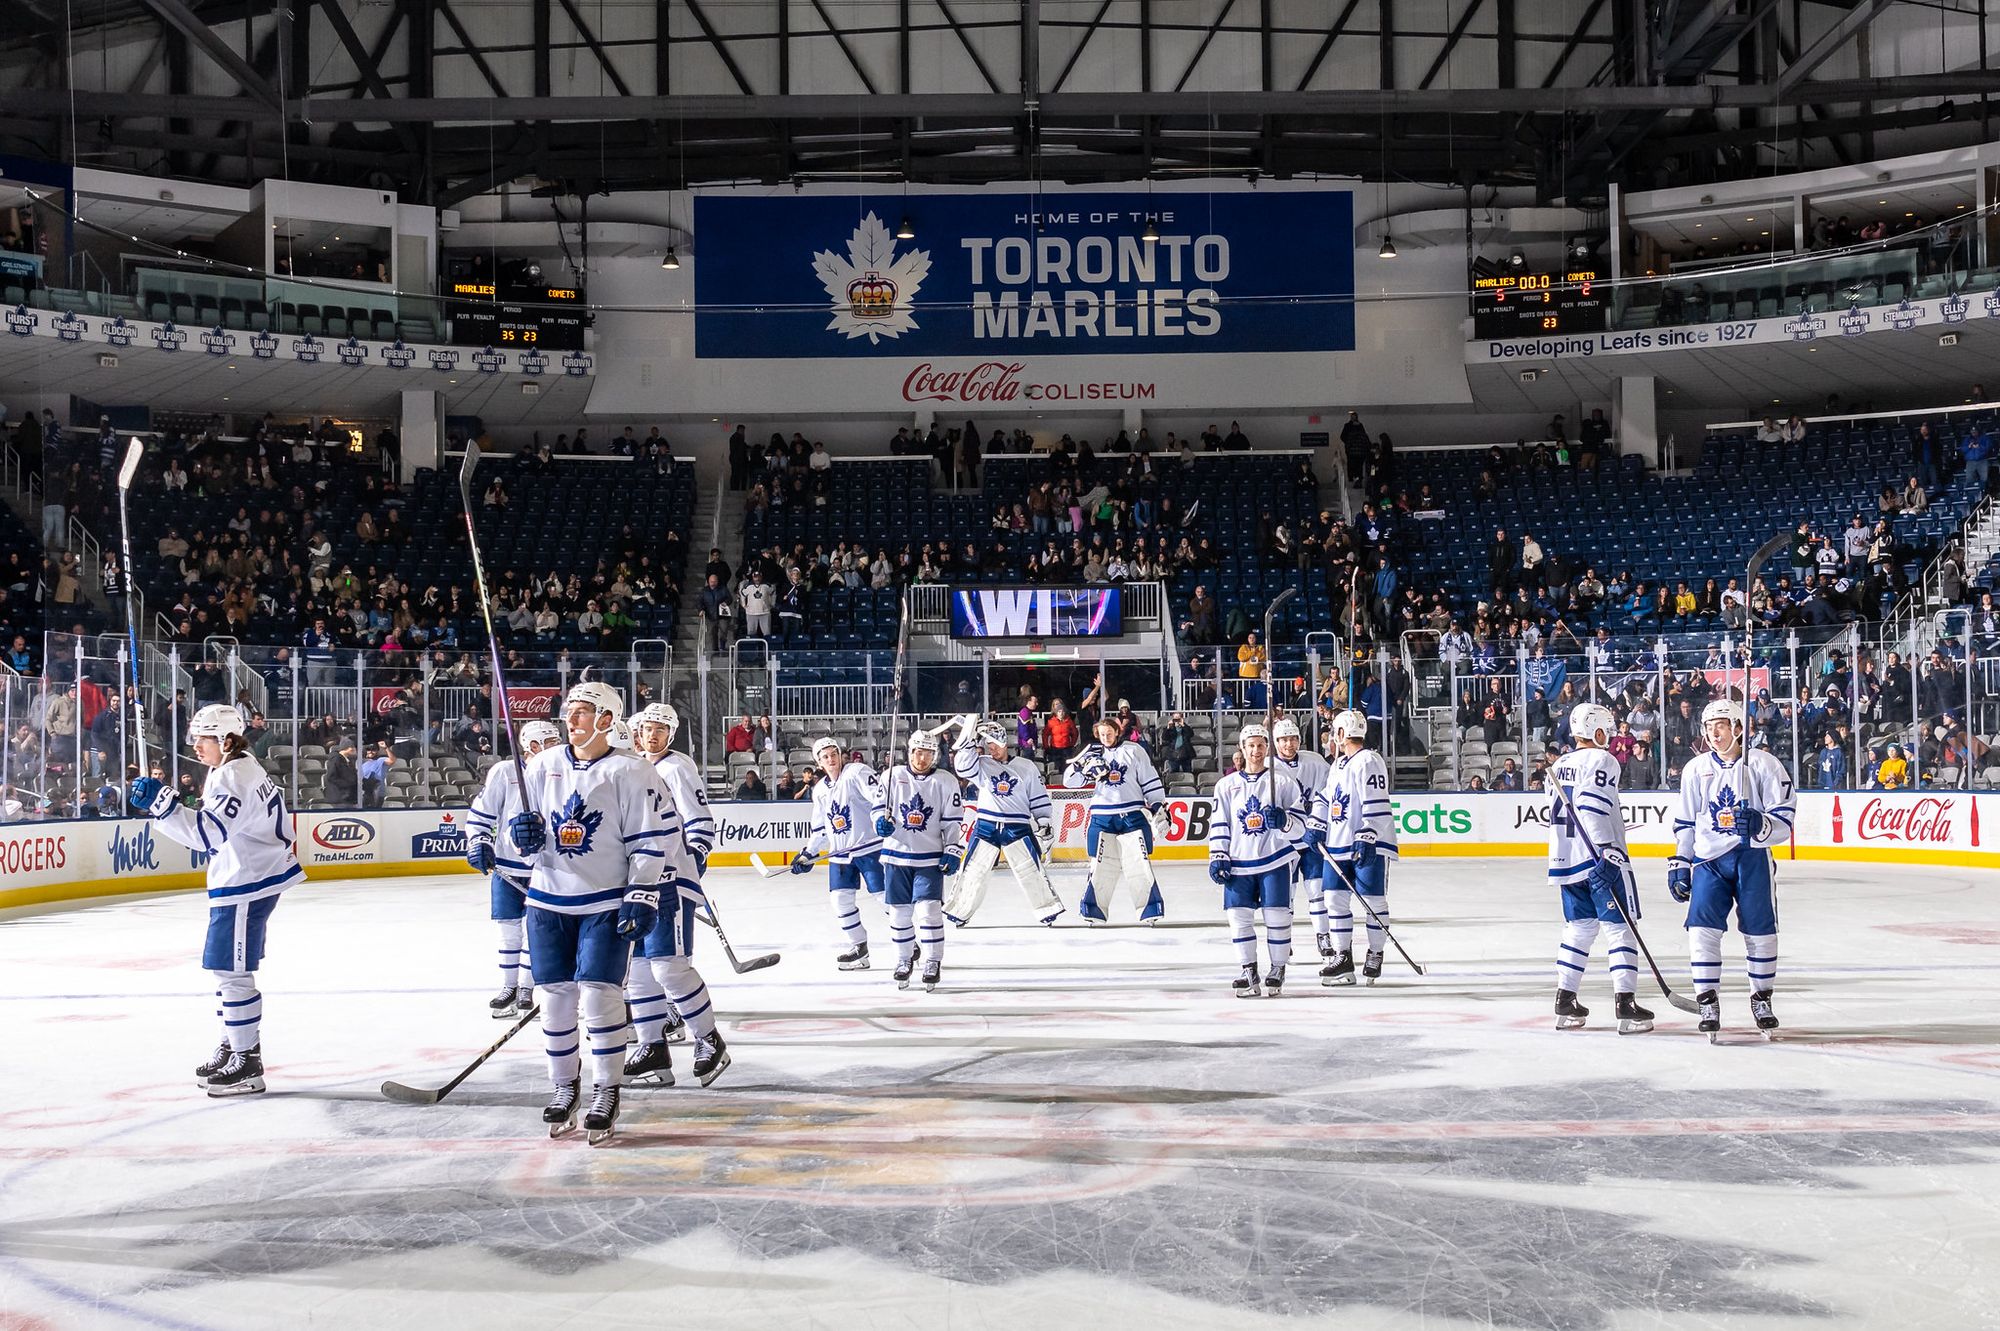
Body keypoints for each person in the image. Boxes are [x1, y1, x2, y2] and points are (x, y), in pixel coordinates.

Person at [506, 681, 683, 1144]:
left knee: (599, 996)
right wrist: (520, 836)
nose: (571, 720)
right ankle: (564, 1087)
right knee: (555, 1000)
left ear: (607, 719)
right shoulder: (542, 765)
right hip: (547, 900)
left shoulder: (631, 771)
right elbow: (524, 835)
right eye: (569, 712)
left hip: (604, 902)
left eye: (582, 712)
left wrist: (641, 893)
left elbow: (649, 842)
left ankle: (607, 1087)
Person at [128, 704, 303, 1096]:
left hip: (248, 880)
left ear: (225, 740)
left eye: (202, 738)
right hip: (248, 876)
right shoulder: (237, 766)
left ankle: (247, 1062)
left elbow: (207, 835)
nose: (194, 745)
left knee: (231, 971)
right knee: (226, 970)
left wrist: (163, 805)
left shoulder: (232, 777)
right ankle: (233, 1044)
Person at [1667, 700, 1795, 1041]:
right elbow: (1685, 821)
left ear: (1739, 727)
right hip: (1709, 861)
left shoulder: (1763, 764)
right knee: (1701, 931)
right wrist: (1681, 861)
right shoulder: (1695, 769)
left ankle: (1761, 999)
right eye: (1709, 727)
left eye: (1721, 725)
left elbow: (1785, 819)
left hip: (1751, 858)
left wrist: (1760, 823)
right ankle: (1708, 1002)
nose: (1714, 733)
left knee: (1761, 932)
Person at [622, 703, 728, 1088]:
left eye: (660, 730)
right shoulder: (631, 767)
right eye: (648, 728)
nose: (652, 735)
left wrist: (694, 860)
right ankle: (653, 1047)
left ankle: (708, 1039)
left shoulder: (676, 767)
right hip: (635, 883)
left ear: (671, 734)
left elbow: (700, 822)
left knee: (668, 966)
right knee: (638, 971)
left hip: (668, 881)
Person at [1546, 703, 1652, 1034]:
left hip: (1566, 860)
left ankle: (1565, 999)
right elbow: (1591, 807)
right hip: (1599, 857)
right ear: (1599, 731)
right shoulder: (1602, 759)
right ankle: (1625, 1003)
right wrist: (1607, 852)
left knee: (1579, 928)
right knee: (1620, 928)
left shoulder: (1560, 763)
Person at [465, 720, 564, 1018]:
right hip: (507, 869)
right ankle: (508, 986)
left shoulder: (558, 773)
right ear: (532, 745)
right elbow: (481, 814)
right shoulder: (505, 772)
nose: (556, 746)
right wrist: (479, 842)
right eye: (549, 741)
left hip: (543, 868)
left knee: (533, 929)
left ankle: (526, 987)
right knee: (509, 930)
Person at [1207, 723, 1303, 997]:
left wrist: (1284, 821)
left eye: (1261, 745)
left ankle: (1277, 968)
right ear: (1242, 749)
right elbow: (1220, 823)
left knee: (1277, 917)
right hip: (1238, 863)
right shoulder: (1226, 786)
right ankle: (1248, 969)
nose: (1257, 750)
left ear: (1267, 748)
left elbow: (1301, 825)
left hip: (1275, 859)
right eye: (1251, 745)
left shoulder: (1282, 782)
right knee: (1238, 919)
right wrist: (1218, 855)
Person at [943, 714, 1062, 925]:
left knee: (1030, 869)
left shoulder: (1026, 767)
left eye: (995, 745)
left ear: (1005, 743)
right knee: (973, 869)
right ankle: (959, 911)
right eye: (988, 745)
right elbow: (961, 767)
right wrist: (969, 740)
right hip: (986, 825)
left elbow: (1038, 797)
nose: (992, 749)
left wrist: (1044, 821)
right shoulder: (981, 765)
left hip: (1017, 826)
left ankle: (1047, 910)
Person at [788, 734, 889, 969]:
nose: (831, 759)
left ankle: (909, 943)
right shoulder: (820, 789)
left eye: (833, 754)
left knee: (886, 900)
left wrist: (884, 815)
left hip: (869, 848)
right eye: (825, 757)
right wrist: (808, 854)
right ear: (819, 763)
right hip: (840, 855)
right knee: (840, 901)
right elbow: (821, 828)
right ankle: (859, 948)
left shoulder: (856, 772)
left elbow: (879, 798)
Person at [1314, 707, 1398, 986]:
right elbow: (1326, 798)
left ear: (1341, 733)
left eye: (1333, 733)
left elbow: (1377, 801)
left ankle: (1375, 952)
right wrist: (1316, 825)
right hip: (1337, 843)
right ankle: (1343, 958)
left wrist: (1369, 834)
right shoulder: (1338, 764)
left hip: (1365, 842)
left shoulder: (1369, 760)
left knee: (1373, 900)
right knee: (1333, 900)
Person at [879, 726, 965, 991]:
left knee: (928, 912)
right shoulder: (892, 776)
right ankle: (904, 960)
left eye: (928, 753)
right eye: (918, 752)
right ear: (910, 752)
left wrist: (952, 849)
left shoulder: (945, 781)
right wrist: (879, 824)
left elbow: (952, 822)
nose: (922, 758)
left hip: (929, 859)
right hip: (896, 856)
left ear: (935, 755)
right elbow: (878, 810)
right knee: (899, 914)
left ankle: (932, 960)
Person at [1064, 713, 1169, 925]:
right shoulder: (1091, 753)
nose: (1105, 737)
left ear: (1117, 732)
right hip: (1102, 816)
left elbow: (1149, 779)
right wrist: (1079, 767)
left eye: (1109, 733)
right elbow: (1069, 782)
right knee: (1098, 865)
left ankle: (1150, 910)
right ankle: (1092, 910)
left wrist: (1158, 804)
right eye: (1102, 734)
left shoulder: (1133, 750)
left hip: (1132, 814)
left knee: (1139, 863)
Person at [1271, 717, 1333, 956]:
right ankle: (1284, 941)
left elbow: (1330, 790)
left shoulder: (1315, 762)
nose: (1289, 744)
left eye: (1293, 738)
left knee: (1317, 890)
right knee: (1286, 895)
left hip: (1312, 839)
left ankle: (1323, 936)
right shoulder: (1269, 768)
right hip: (1283, 842)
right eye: (1284, 740)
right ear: (1276, 742)